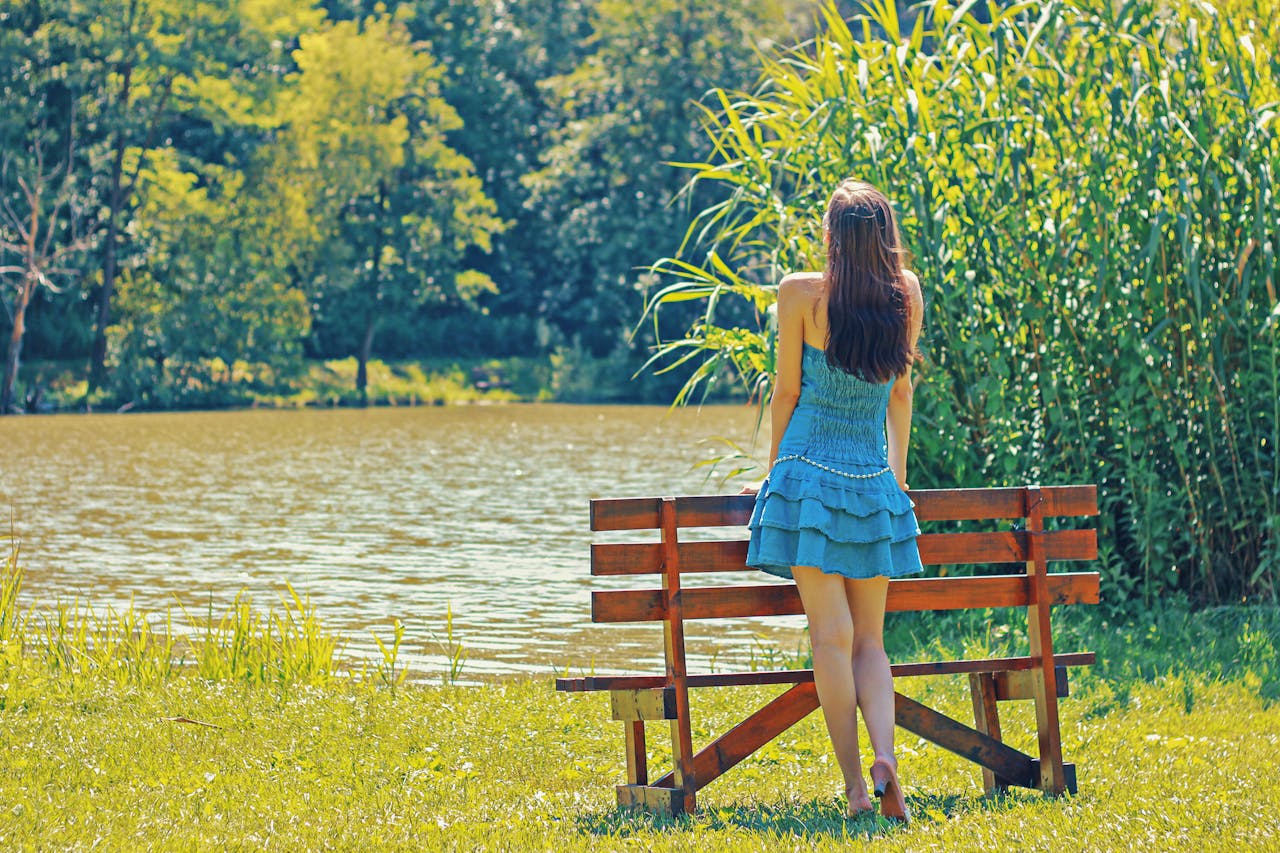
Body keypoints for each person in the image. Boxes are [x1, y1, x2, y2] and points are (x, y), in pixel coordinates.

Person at [744, 179, 924, 822]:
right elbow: (900, 397)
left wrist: (771, 479)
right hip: (871, 483)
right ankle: (887, 759)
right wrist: (893, 481)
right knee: (870, 641)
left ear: (832, 237)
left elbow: (787, 394)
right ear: (884, 236)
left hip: (806, 477)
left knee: (830, 635)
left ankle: (854, 786)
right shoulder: (907, 294)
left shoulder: (799, 293)